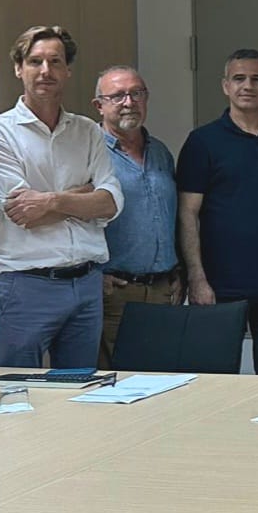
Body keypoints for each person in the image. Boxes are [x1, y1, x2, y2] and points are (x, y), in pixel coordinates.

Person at [0, 25, 121, 369]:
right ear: (18, 68)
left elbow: (110, 202)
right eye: (35, 61)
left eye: (55, 61)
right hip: (27, 285)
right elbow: (21, 212)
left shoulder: (87, 130)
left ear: (67, 70)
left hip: (87, 284)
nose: (45, 71)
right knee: (16, 388)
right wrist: (83, 197)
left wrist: (49, 201)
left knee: (79, 389)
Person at [176, 49, 258, 375]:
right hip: (220, 286)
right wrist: (196, 277)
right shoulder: (202, 142)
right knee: (217, 378)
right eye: (239, 78)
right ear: (225, 86)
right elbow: (188, 214)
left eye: (256, 79)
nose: (248, 86)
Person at [93, 66, 180, 367]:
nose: (129, 102)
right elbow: (71, 219)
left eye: (136, 93)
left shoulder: (160, 152)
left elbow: (172, 216)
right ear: (99, 105)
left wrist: (178, 271)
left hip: (163, 292)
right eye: (117, 96)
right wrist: (94, 275)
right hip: (115, 293)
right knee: (116, 382)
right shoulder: (88, 152)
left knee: (164, 380)